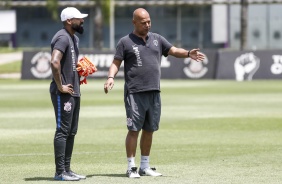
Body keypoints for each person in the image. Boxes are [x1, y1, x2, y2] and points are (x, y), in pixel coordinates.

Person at [104, 8, 205, 178]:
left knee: (149, 130)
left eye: (149, 21)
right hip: (135, 93)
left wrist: (188, 53)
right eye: (143, 22)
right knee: (134, 130)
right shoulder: (125, 42)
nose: (147, 25)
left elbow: (173, 51)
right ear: (134, 22)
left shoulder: (157, 39)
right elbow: (116, 62)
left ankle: (145, 166)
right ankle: (131, 167)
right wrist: (110, 77)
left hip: (154, 92)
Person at [50, 7, 88, 181]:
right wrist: (60, 86)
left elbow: (65, 63)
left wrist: (79, 70)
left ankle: (67, 169)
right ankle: (60, 172)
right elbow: (54, 62)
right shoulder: (62, 37)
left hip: (74, 91)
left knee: (71, 131)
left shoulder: (73, 38)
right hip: (63, 92)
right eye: (79, 19)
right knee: (63, 131)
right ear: (68, 21)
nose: (82, 21)